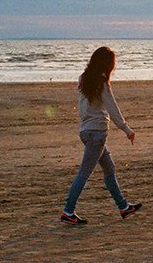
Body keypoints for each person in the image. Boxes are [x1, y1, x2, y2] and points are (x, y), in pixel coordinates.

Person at [60, 46, 141, 225]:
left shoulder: (83, 78)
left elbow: (84, 106)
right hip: (97, 133)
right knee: (84, 172)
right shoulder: (102, 83)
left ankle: (123, 207)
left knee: (109, 168)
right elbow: (113, 109)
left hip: (86, 131)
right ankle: (68, 211)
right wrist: (127, 130)